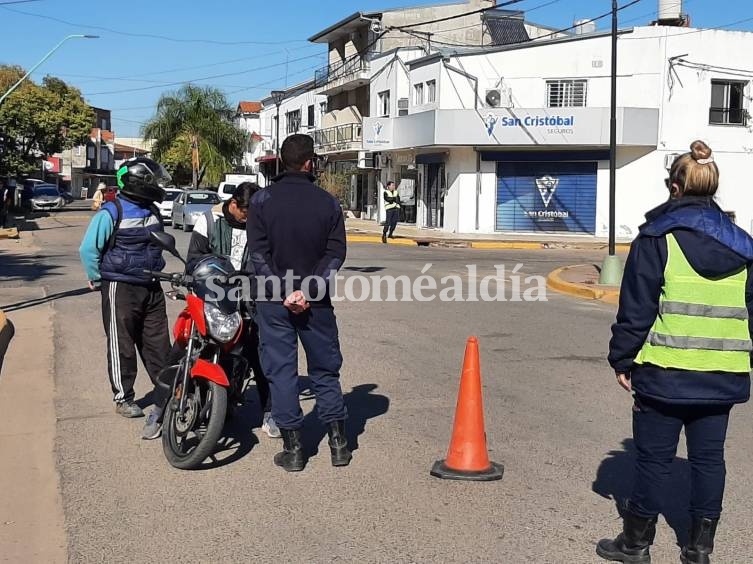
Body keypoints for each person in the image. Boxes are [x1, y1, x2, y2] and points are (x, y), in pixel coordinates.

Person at [597, 140, 753, 564]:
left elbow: (636, 308)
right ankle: (700, 548)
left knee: (652, 460)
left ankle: (635, 544)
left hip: (664, 373)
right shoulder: (744, 245)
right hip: (723, 373)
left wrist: (622, 358)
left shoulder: (657, 238)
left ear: (675, 188)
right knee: (708, 460)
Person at [140, 182, 281, 440]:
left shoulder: (260, 225)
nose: (250, 218)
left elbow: (267, 262)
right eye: (247, 212)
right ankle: (158, 411)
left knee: (263, 354)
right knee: (179, 352)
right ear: (235, 204)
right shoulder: (209, 220)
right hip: (210, 297)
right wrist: (216, 272)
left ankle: (270, 412)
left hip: (246, 301)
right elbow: (194, 259)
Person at [247, 133, 350, 472]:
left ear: (281, 160)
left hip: (273, 302)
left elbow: (259, 256)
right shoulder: (328, 203)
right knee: (324, 369)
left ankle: (294, 452)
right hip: (316, 302)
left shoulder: (261, 201)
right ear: (309, 163)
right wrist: (308, 290)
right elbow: (335, 253)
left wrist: (283, 291)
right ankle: (338, 445)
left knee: (282, 371)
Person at [79, 157, 172, 419]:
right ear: (137, 183)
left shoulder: (152, 211)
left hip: (152, 285)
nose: (156, 186)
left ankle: (167, 392)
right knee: (122, 344)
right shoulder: (111, 211)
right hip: (120, 286)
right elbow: (88, 249)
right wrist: (98, 279)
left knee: (159, 344)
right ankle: (123, 397)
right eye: (151, 181)